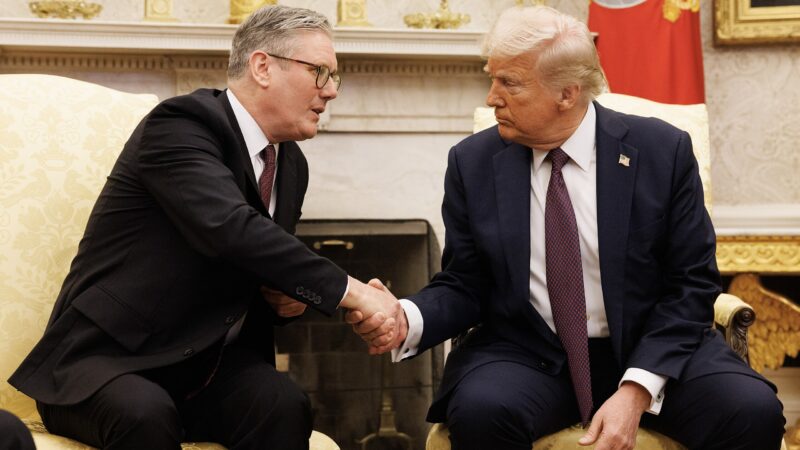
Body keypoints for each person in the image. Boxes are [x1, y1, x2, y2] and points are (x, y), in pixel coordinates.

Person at [348, 5, 785, 450]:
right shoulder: (473, 163)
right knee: (481, 411)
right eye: (491, 78)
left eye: (508, 83)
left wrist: (636, 390)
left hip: (651, 345)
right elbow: (465, 283)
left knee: (751, 411)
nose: (491, 97)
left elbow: (691, 285)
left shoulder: (661, 151)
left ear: (567, 93)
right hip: (528, 353)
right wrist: (406, 318)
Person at [9, 5, 400, 450]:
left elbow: (258, 260)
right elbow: (231, 228)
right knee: (145, 413)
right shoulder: (181, 125)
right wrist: (354, 292)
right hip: (106, 362)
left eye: (335, 78)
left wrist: (285, 300)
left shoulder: (291, 163)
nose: (330, 92)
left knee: (282, 402)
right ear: (263, 66)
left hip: (203, 366)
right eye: (320, 73)